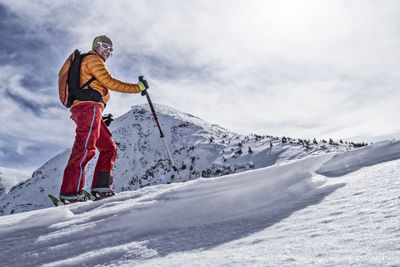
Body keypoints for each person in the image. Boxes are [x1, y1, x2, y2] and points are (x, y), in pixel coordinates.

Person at [59, 35, 147, 204]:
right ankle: (70, 194)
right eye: (104, 46)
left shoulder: (89, 63)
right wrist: (138, 88)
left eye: (111, 49)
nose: (107, 51)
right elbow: (110, 82)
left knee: (108, 147)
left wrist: (99, 117)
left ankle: (101, 189)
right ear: (95, 46)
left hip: (90, 110)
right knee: (85, 148)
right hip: (88, 108)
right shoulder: (93, 59)